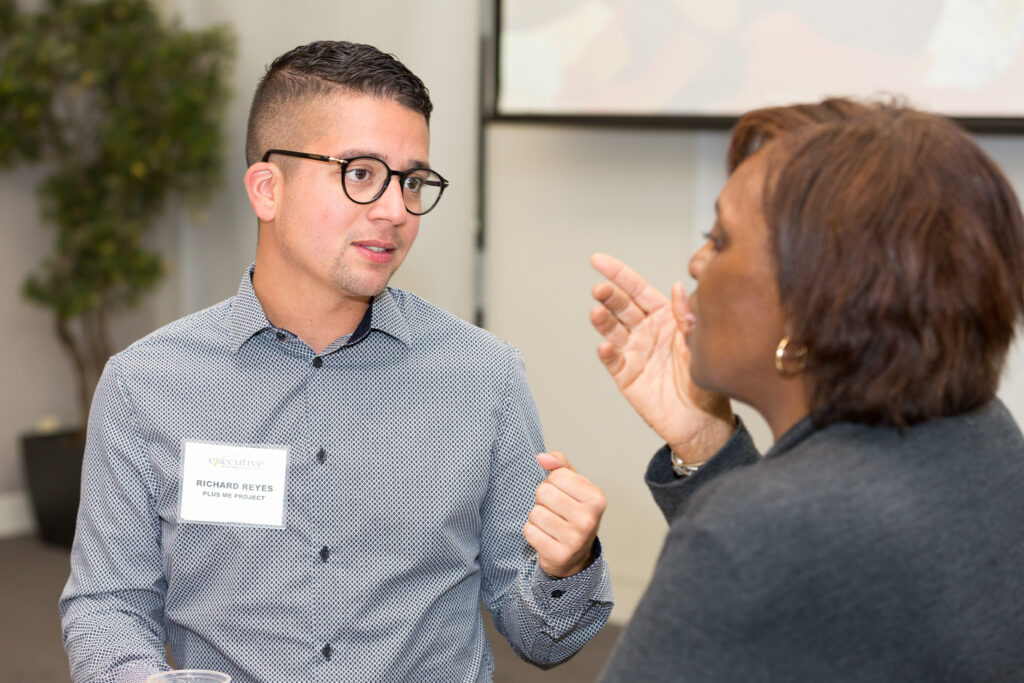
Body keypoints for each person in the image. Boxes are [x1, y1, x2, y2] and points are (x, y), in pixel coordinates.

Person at [59, 40, 612, 683]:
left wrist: (565, 566)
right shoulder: (145, 385)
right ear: (268, 189)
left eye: (412, 181)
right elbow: (106, 606)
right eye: (360, 174)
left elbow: (545, 638)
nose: (395, 211)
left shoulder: (483, 378)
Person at [589, 99, 1024, 681]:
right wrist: (707, 444)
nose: (696, 262)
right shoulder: (985, 431)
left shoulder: (749, 532)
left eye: (719, 239)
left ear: (815, 298)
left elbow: (772, 549)